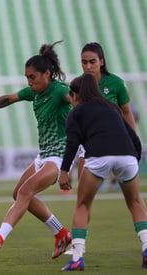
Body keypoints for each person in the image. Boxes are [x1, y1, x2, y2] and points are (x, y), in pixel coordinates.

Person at [0, 41, 72, 259]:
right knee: (18, 193)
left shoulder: (60, 91)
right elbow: (8, 98)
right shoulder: (35, 93)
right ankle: (61, 233)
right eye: (26, 77)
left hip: (60, 155)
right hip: (45, 154)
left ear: (46, 74)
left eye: (32, 77)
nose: (29, 82)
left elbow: (76, 101)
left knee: (25, 191)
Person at [58, 73, 147, 271]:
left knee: (82, 205)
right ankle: (146, 248)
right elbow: (133, 136)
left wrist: (64, 171)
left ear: (75, 95)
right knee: (135, 202)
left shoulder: (76, 112)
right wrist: (134, 157)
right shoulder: (112, 107)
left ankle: (77, 258)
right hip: (127, 156)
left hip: (99, 157)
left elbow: (72, 144)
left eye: (70, 97)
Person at [76, 42, 137, 182]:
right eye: (84, 62)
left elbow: (127, 112)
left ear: (101, 62)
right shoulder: (78, 85)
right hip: (89, 142)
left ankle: (113, 179)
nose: (88, 67)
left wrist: (133, 140)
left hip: (116, 140)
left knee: (133, 200)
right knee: (83, 195)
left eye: (92, 62)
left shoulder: (116, 83)